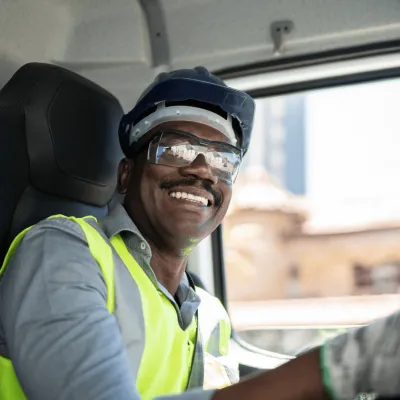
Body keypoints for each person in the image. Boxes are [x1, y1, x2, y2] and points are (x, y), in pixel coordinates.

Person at [1, 66, 399, 400]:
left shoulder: (210, 313)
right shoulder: (61, 253)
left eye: (222, 160)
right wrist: (338, 367)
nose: (203, 170)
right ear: (126, 174)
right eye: (175, 149)